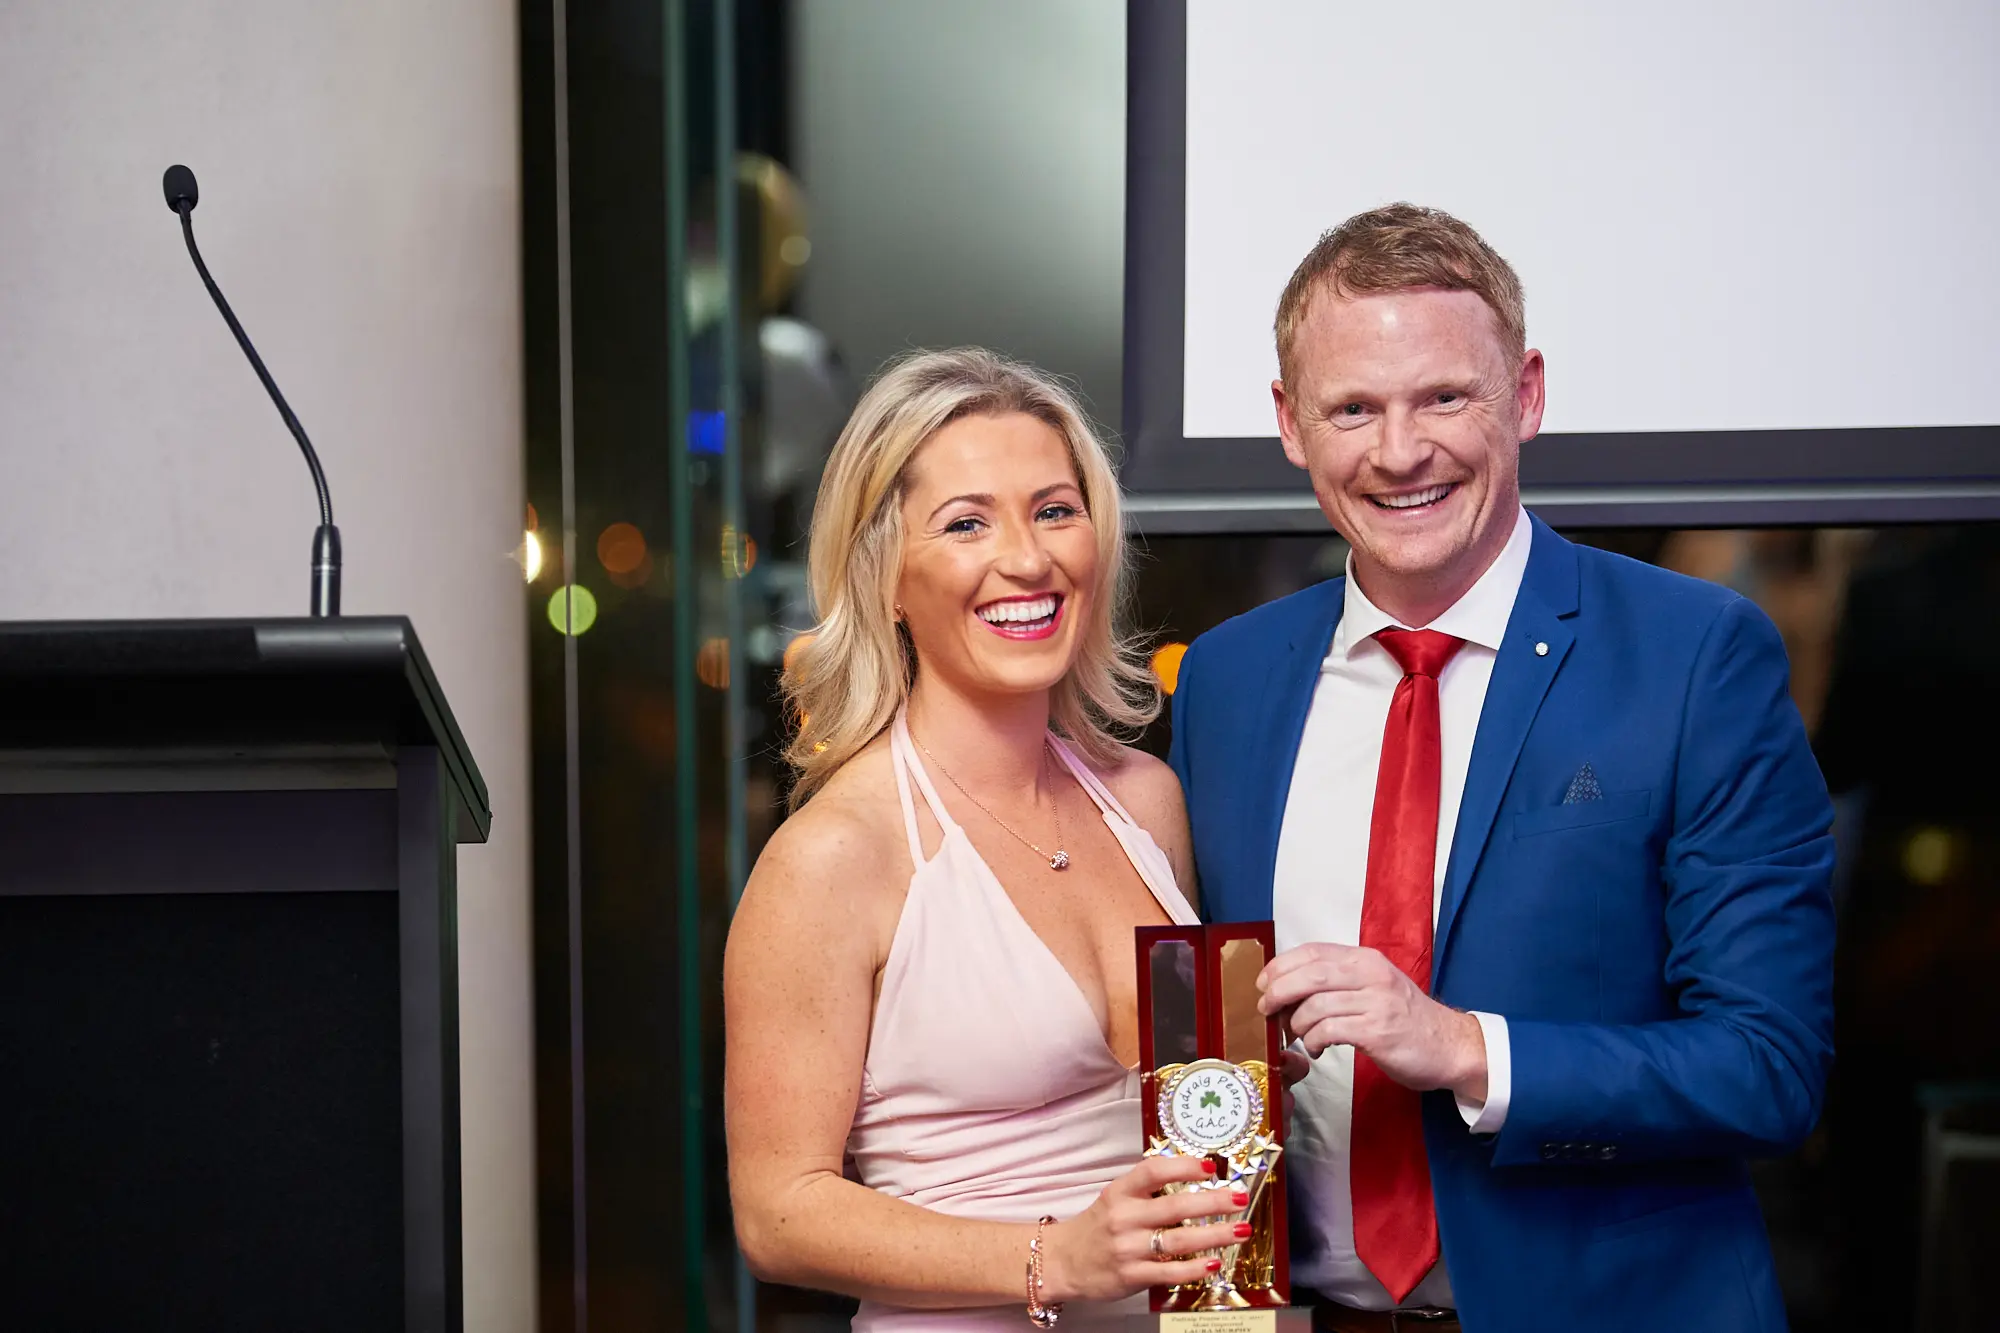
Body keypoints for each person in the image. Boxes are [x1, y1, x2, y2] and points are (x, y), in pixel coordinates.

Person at [1168, 205, 1837, 1333]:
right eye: (1351, 408)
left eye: (1442, 396)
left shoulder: (1690, 657)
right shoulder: (1226, 682)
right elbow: (1209, 1033)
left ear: (1523, 394)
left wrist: (1461, 1047)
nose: (1397, 451)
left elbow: (1765, 1066)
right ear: (1289, 424)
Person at [725, 348, 1244, 1329]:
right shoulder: (836, 853)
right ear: (883, 578)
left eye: (1054, 509)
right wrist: (1053, 1256)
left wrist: (1242, 1069)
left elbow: (1187, 1132)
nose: (1027, 558)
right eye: (966, 523)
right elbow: (776, 1211)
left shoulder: (1146, 802)